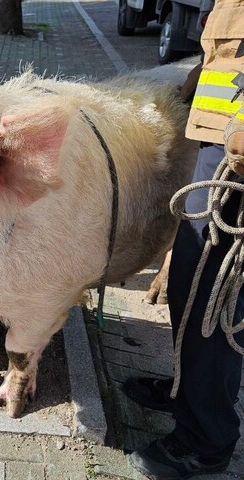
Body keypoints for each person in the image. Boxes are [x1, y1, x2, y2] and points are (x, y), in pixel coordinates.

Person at [124, 2, 244, 478]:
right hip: (221, 141)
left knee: (215, 298)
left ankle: (206, 438)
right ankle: (185, 390)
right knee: (191, 285)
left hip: (236, 155)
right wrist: (200, 77)